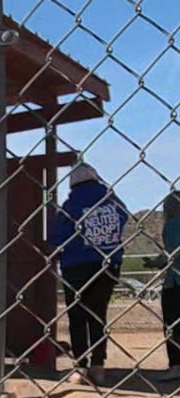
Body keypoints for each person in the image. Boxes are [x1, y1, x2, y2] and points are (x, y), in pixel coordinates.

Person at [49, 162, 129, 385]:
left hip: (77, 266)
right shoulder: (112, 202)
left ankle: (80, 366)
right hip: (108, 265)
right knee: (98, 314)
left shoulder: (72, 205)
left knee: (77, 315)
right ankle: (98, 364)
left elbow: (57, 237)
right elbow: (125, 217)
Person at [161, 187, 180, 383]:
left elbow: (171, 254)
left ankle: (176, 365)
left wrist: (157, 262)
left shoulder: (172, 225)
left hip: (175, 283)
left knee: (172, 324)